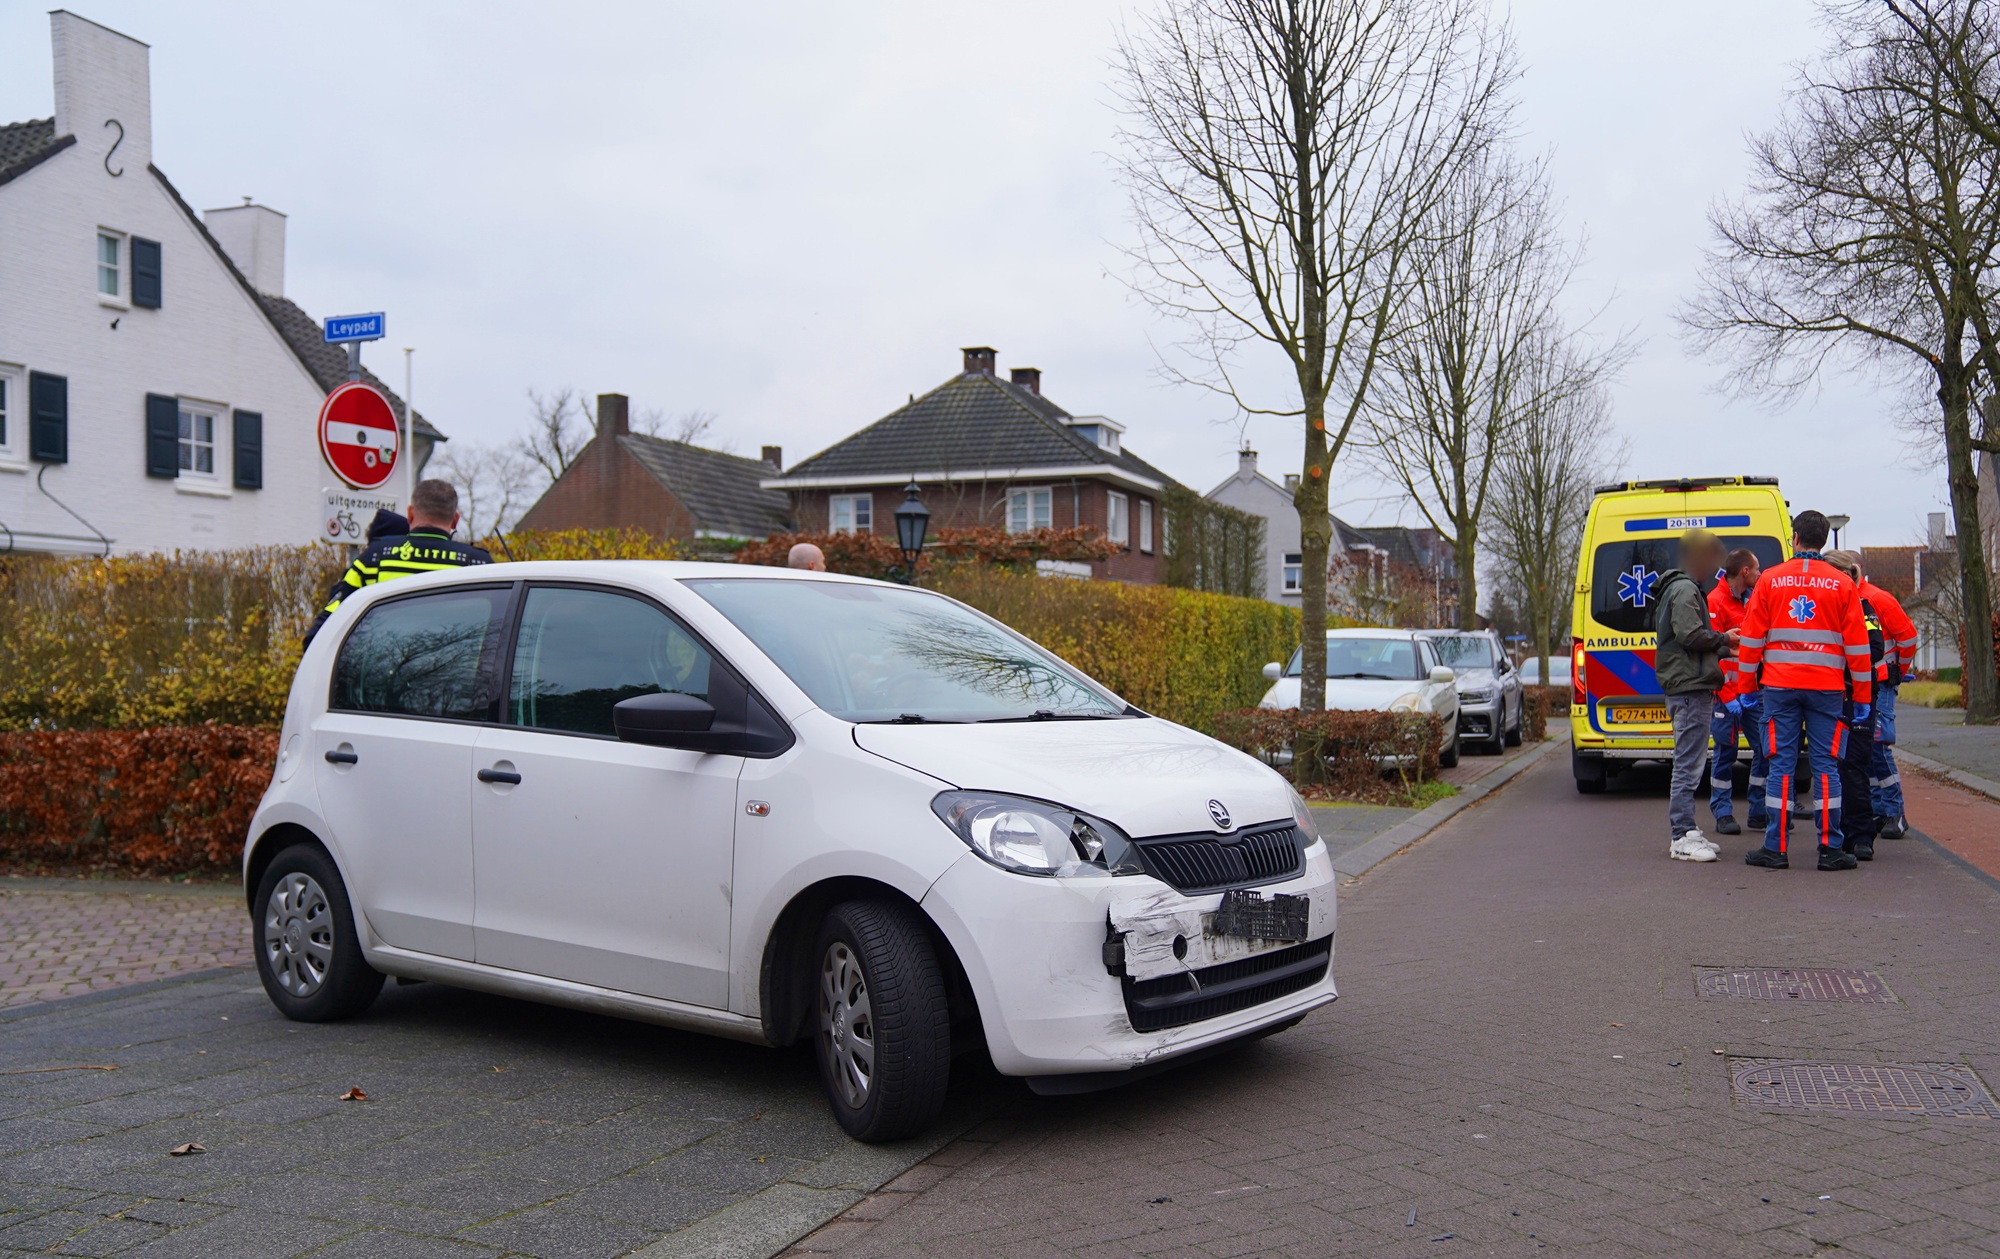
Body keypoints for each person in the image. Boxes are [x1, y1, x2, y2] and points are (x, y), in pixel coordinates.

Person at [1735, 510, 1872, 872]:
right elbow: (1858, 647)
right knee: (1827, 766)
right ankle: (1830, 850)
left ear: (1795, 537)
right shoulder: (1843, 584)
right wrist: (1862, 697)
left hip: (1779, 687)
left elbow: (1750, 641)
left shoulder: (1769, 580)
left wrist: (1745, 687)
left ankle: (1775, 848)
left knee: (1781, 764)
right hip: (1827, 689)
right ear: (1824, 540)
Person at [303, 479, 493, 646]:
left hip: (385, 682)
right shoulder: (478, 564)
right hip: (461, 682)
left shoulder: (374, 559)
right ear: (456, 520)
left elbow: (319, 635)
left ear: (410, 514)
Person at [1654, 528, 1736, 862]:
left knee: (1691, 761)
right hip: (1690, 688)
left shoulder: (1679, 588)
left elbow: (1687, 640)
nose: (1716, 567)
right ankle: (1681, 835)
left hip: (1689, 685)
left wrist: (1724, 647)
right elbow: (1690, 635)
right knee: (1688, 764)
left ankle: (1687, 830)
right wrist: (1724, 640)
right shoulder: (1686, 589)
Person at [1850, 559, 1919, 838]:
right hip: (1862, 682)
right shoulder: (1852, 597)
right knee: (1866, 748)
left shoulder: (1878, 599)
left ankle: (1894, 812)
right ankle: (1880, 808)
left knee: (1878, 745)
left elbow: (1908, 637)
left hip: (1881, 681)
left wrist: (1896, 672)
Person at [1825, 551, 1886, 861]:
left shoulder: (1862, 606)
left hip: (1856, 695)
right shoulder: (1823, 607)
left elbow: (1874, 647)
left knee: (1853, 765)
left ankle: (1860, 835)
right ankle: (1837, 835)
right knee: (1832, 766)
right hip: (1829, 696)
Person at [1707, 548, 1766, 836]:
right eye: (1756, 569)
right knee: (1725, 753)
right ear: (1744, 571)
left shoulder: (1753, 600)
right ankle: (1722, 812)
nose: (1759, 573)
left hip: (1751, 693)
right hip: (1727, 695)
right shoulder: (1715, 602)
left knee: (1765, 749)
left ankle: (1758, 810)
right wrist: (1729, 695)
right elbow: (1711, 656)